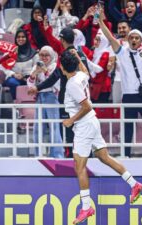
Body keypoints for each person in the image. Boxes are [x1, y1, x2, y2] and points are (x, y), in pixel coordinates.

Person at [60, 51, 142, 224]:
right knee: (103, 156)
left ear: (62, 67)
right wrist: (77, 56)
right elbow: (87, 72)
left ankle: (86, 207)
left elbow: (87, 106)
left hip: (84, 125)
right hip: (92, 123)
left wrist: (70, 121)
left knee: (79, 166)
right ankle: (134, 184)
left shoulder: (71, 85)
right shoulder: (81, 75)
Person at [99, 0, 142, 158]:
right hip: (128, 95)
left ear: (141, 41)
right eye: (131, 38)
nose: (134, 40)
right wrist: (100, 20)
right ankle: (125, 155)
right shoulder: (122, 52)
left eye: (136, 38)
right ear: (127, 39)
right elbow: (109, 36)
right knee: (127, 127)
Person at [28, 27, 89, 158]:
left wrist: (37, 88)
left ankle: (68, 157)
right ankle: (83, 157)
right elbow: (87, 74)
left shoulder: (66, 55)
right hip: (82, 95)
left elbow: (55, 76)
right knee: (80, 128)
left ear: (62, 39)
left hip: (69, 96)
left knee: (67, 127)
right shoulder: (81, 53)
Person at [27, 46, 64, 158]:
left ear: (51, 56)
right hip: (40, 97)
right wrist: (34, 75)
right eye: (41, 55)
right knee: (38, 127)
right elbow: (29, 83)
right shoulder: (36, 66)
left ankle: (57, 155)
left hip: (51, 96)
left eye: (46, 55)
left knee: (54, 126)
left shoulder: (54, 67)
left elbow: (55, 83)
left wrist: (45, 71)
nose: (43, 58)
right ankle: (38, 154)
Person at [0, 29, 38, 100]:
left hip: (30, 78)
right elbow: (2, 66)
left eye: (23, 37)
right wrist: (13, 74)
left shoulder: (33, 53)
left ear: (26, 38)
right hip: (14, 78)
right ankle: (16, 103)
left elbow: (37, 66)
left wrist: (29, 76)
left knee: (34, 84)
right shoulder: (10, 52)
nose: (21, 39)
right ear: (15, 39)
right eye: (18, 37)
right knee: (13, 82)